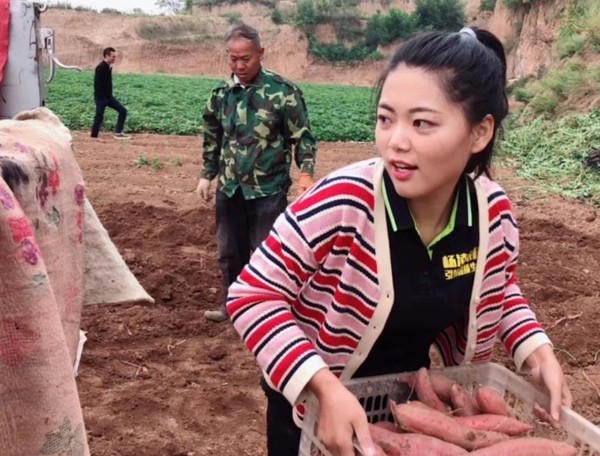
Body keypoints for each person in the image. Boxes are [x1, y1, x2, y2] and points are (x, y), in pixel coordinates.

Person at [226, 27, 573, 456]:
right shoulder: (342, 201)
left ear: (480, 132)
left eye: (422, 123)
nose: (396, 143)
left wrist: (537, 351)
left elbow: (500, 291)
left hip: (406, 405)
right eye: (386, 119)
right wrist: (321, 386)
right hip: (311, 402)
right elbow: (252, 296)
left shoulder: (491, 213)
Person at [196, 22, 317, 323]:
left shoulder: (283, 92)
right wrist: (206, 173)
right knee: (229, 253)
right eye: (233, 58)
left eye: (245, 58)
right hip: (230, 188)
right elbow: (212, 136)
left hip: (268, 190)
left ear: (260, 53)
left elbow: (302, 137)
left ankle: (270, 313)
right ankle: (232, 307)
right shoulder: (221, 95)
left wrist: (305, 174)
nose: (239, 65)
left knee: (269, 254)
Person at [91, 47, 130, 139]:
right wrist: (101, 99)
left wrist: (109, 95)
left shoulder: (108, 67)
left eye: (115, 57)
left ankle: (118, 133)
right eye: (113, 57)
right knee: (99, 117)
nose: (114, 58)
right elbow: (97, 85)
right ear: (107, 56)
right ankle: (93, 137)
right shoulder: (100, 67)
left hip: (108, 97)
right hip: (101, 98)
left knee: (123, 111)